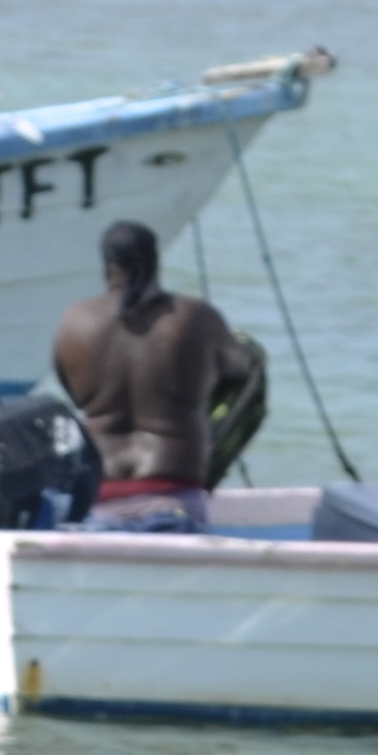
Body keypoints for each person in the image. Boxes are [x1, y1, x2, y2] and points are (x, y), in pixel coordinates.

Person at [52, 218, 269, 534]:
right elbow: (245, 368)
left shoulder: (74, 321)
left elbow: (75, 394)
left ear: (108, 268)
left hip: (98, 497)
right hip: (173, 495)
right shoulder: (194, 317)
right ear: (156, 262)